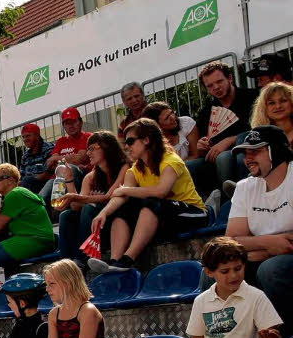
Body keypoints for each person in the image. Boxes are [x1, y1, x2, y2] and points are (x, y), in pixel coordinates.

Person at [89, 119, 208, 273]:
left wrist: (126, 190)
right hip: (165, 217)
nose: (126, 147)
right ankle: (114, 262)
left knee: (151, 203)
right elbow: (120, 196)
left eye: (130, 141)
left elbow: (161, 191)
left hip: (194, 213)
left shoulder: (171, 160)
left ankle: (127, 261)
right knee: (123, 209)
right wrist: (104, 212)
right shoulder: (136, 169)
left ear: (146, 140)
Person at [226, 125, 293, 326]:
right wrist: (270, 244)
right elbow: (231, 242)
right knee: (214, 271)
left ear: (276, 151)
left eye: (255, 151)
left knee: (271, 269)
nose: (248, 159)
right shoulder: (245, 187)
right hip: (261, 257)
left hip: (278, 264)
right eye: (246, 153)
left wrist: (255, 248)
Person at [58, 132, 129, 263]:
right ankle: (65, 263)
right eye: (87, 149)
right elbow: (75, 206)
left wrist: (82, 198)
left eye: (92, 148)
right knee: (67, 215)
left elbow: (110, 196)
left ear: (107, 147)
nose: (88, 153)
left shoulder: (124, 167)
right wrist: (69, 180)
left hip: (115, 223)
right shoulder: (91, 176)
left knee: (89, 209)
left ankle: (81, 259)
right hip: (93, 226)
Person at [189, 61, 259, 195]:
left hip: (247, 149)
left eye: (219, 81)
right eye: (210, 85)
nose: (216, 87)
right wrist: (202, 146)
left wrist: (231, 140)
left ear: (230, 78)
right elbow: (206, 144)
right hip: (216, 159)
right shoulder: (206, 112)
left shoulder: (252, 98)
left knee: (224, 157)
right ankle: (204, 206)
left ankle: (228, 200)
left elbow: (260, 129)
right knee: (188, 167)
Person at [0, 163, 55, 268]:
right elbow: (0, 229)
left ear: (11, 180)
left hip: (36, 239)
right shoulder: (15, 194)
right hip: (32, 238)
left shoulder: (15, 194)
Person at [249, 82, 293, 147]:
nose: (278, 106)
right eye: (272, 103)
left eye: (283, 101)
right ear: (263, 108)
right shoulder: (258, 137)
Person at [18, 123, 55, 193]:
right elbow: (21, 177)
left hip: (48, 184)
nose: (25, 139)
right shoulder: (25, 156)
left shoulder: (49, 149)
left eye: (28, 136)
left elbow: (48, 174)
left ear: (37, 136)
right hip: (28, 185)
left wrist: (27, 180)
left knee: (27, 181)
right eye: (23, 137)